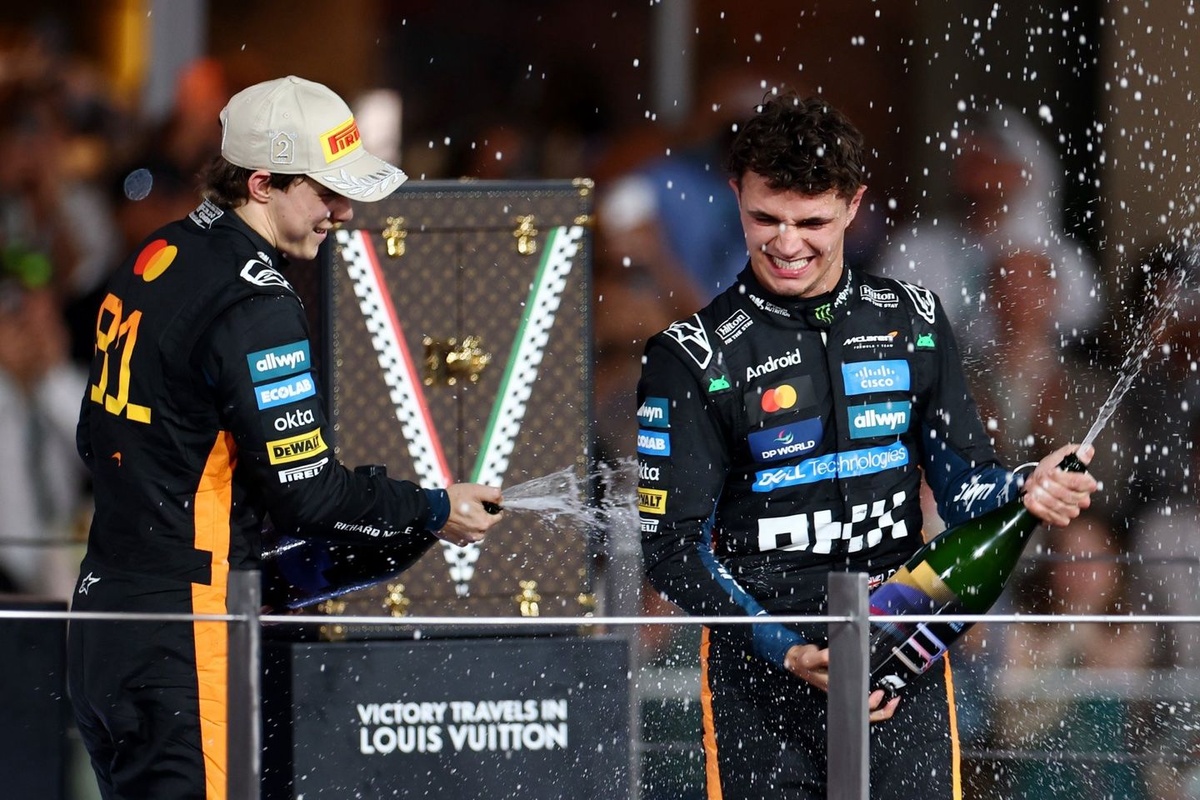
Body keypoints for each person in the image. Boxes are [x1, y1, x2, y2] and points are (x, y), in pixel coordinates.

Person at [636, 91, 1097, 800]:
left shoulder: (913, 318)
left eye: (812, 222)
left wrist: (1025, 487)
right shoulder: (689, 355)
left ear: (855, 205)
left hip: (902, 649)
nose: (787, 244)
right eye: (765, 218)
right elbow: (671, 551)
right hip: (760, 677)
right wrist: (787, 649)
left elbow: (967, 487)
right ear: (736, 196)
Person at [67, 75, 505, 800]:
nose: (344, 210)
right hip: (187, 632)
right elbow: (310, 494)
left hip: (102, 623)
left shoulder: (159, 254)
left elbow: (93, 439)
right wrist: (432, 509)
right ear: (262, 184)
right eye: (327, 191)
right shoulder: (255, 299)